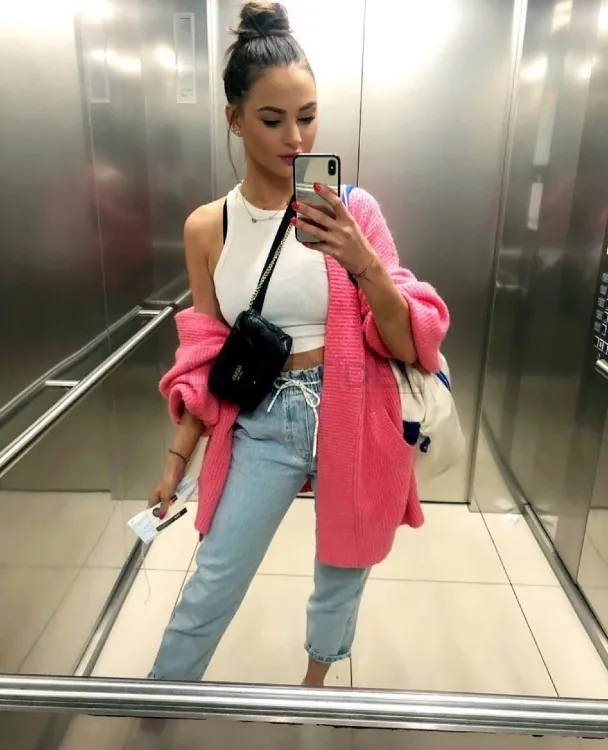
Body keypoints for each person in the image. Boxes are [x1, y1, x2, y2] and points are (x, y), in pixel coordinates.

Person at [148, 0, 450, 687]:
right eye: (272, 119)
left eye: (308, 117)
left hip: (354, 407)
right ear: (233, 118)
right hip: (261, 418)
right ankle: (158, 708)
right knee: (215, 577)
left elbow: (409, 341)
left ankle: (314, 695)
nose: (295, 136)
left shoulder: (352, 209)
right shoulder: (208, 228)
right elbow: (204, 356)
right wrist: (175, 461)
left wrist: (362, 261)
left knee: (342, 574)